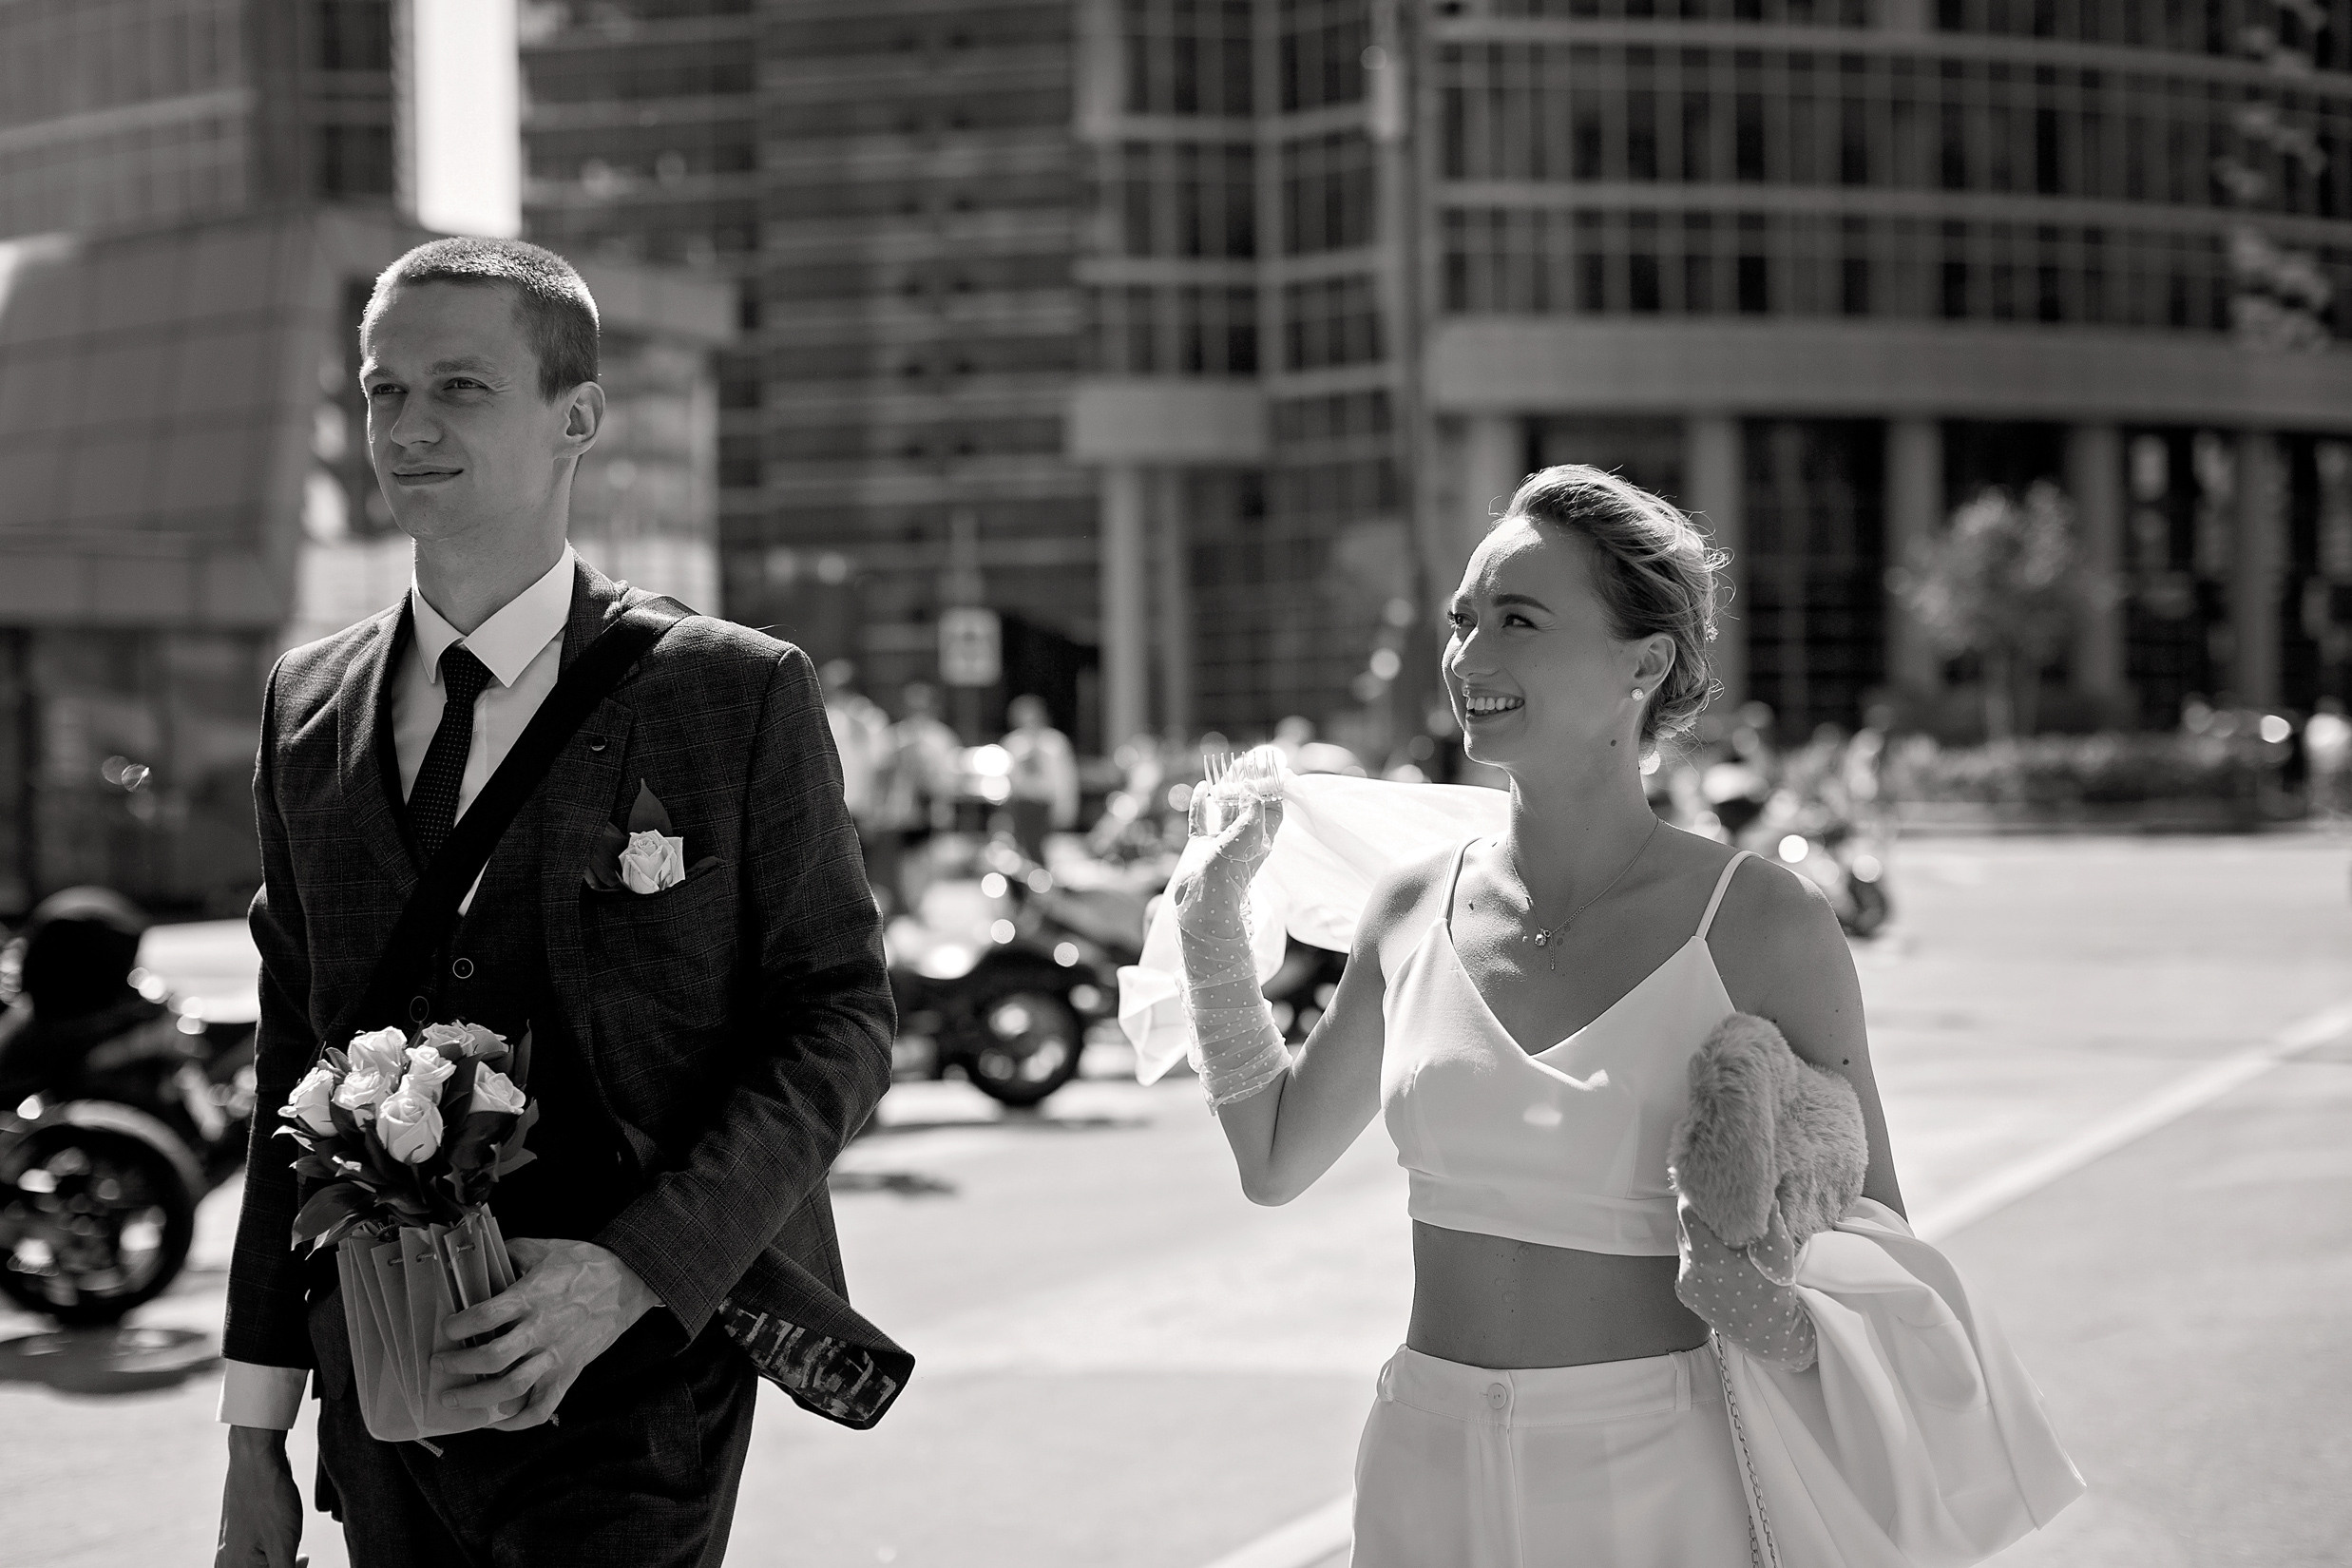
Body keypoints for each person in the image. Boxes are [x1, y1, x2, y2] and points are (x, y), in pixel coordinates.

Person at [213, 238, 901, 1568]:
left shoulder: (729, 691)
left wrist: (628, 1268)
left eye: (458, 388)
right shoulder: (306, 709)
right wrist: (256, 1429)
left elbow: (839, 1020)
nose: (405, 427)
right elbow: (284, 1072)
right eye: (380, 391)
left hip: (635, 1382)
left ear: (575, 416)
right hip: (378, 1386)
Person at [1169, 466, 1906, 1563]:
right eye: (1464, 622)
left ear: (1644, 663)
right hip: (1421, 1465)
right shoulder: (1411, 908)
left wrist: (1768, 1245)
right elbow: (1273, 1160)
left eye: (1518, 620)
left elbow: (1877, 1235)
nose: (1470, 658)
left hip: (1660, 1481)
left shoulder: (1759, 922)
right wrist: (1207, 932)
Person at [876, 681, 963, 915]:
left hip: (932, 813)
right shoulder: (895, 736)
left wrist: (926, 770)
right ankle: (908, 912)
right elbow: (881, 775)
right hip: (902, 816)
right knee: (903, 871)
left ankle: (926, 913)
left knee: (931, 867)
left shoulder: (942, 738)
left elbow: (951, 781)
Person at [821, 660, 897, 913]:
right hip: (833, 807)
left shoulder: (868, 718)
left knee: (861, 874)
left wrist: (878, 806)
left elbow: (883, 765)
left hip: (860, 809)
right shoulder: (825, 715)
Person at [1000, 694, 1078, 865]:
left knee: (1048, 850)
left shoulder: (1054, 743)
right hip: (1022, 805)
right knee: (1021, 851)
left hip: (1046, 804)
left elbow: (1065, 778)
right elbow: (1008, 781)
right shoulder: (1013, 744)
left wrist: (1066, 807)